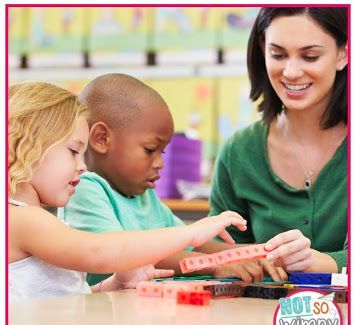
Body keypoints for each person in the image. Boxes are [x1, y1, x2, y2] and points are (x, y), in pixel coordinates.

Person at [9, 82, 247, 302]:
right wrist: (191, 233)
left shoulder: (33, 218)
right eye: (73, 151)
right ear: (25, 147)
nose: (82, 165)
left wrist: (111, 285)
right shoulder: (20, 219)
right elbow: (99, 251)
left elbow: (61, 298)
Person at [62, 73, 283, 285]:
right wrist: (213, 264)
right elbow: (126, 254)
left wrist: (254, 254)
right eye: (150, 150)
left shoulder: (144, 197)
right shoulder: (84, 190)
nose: (160, 163)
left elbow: (194, 244)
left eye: (162, 152)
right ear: (102, 139)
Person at [210, 7, 348, 274]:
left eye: (310, 56)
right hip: (261, 315)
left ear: (343, 53)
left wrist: (330, 263)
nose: (291, 71)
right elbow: (219, 250)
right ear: (263, 49)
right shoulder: (238, 152)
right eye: (278, 54)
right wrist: (236, 261)